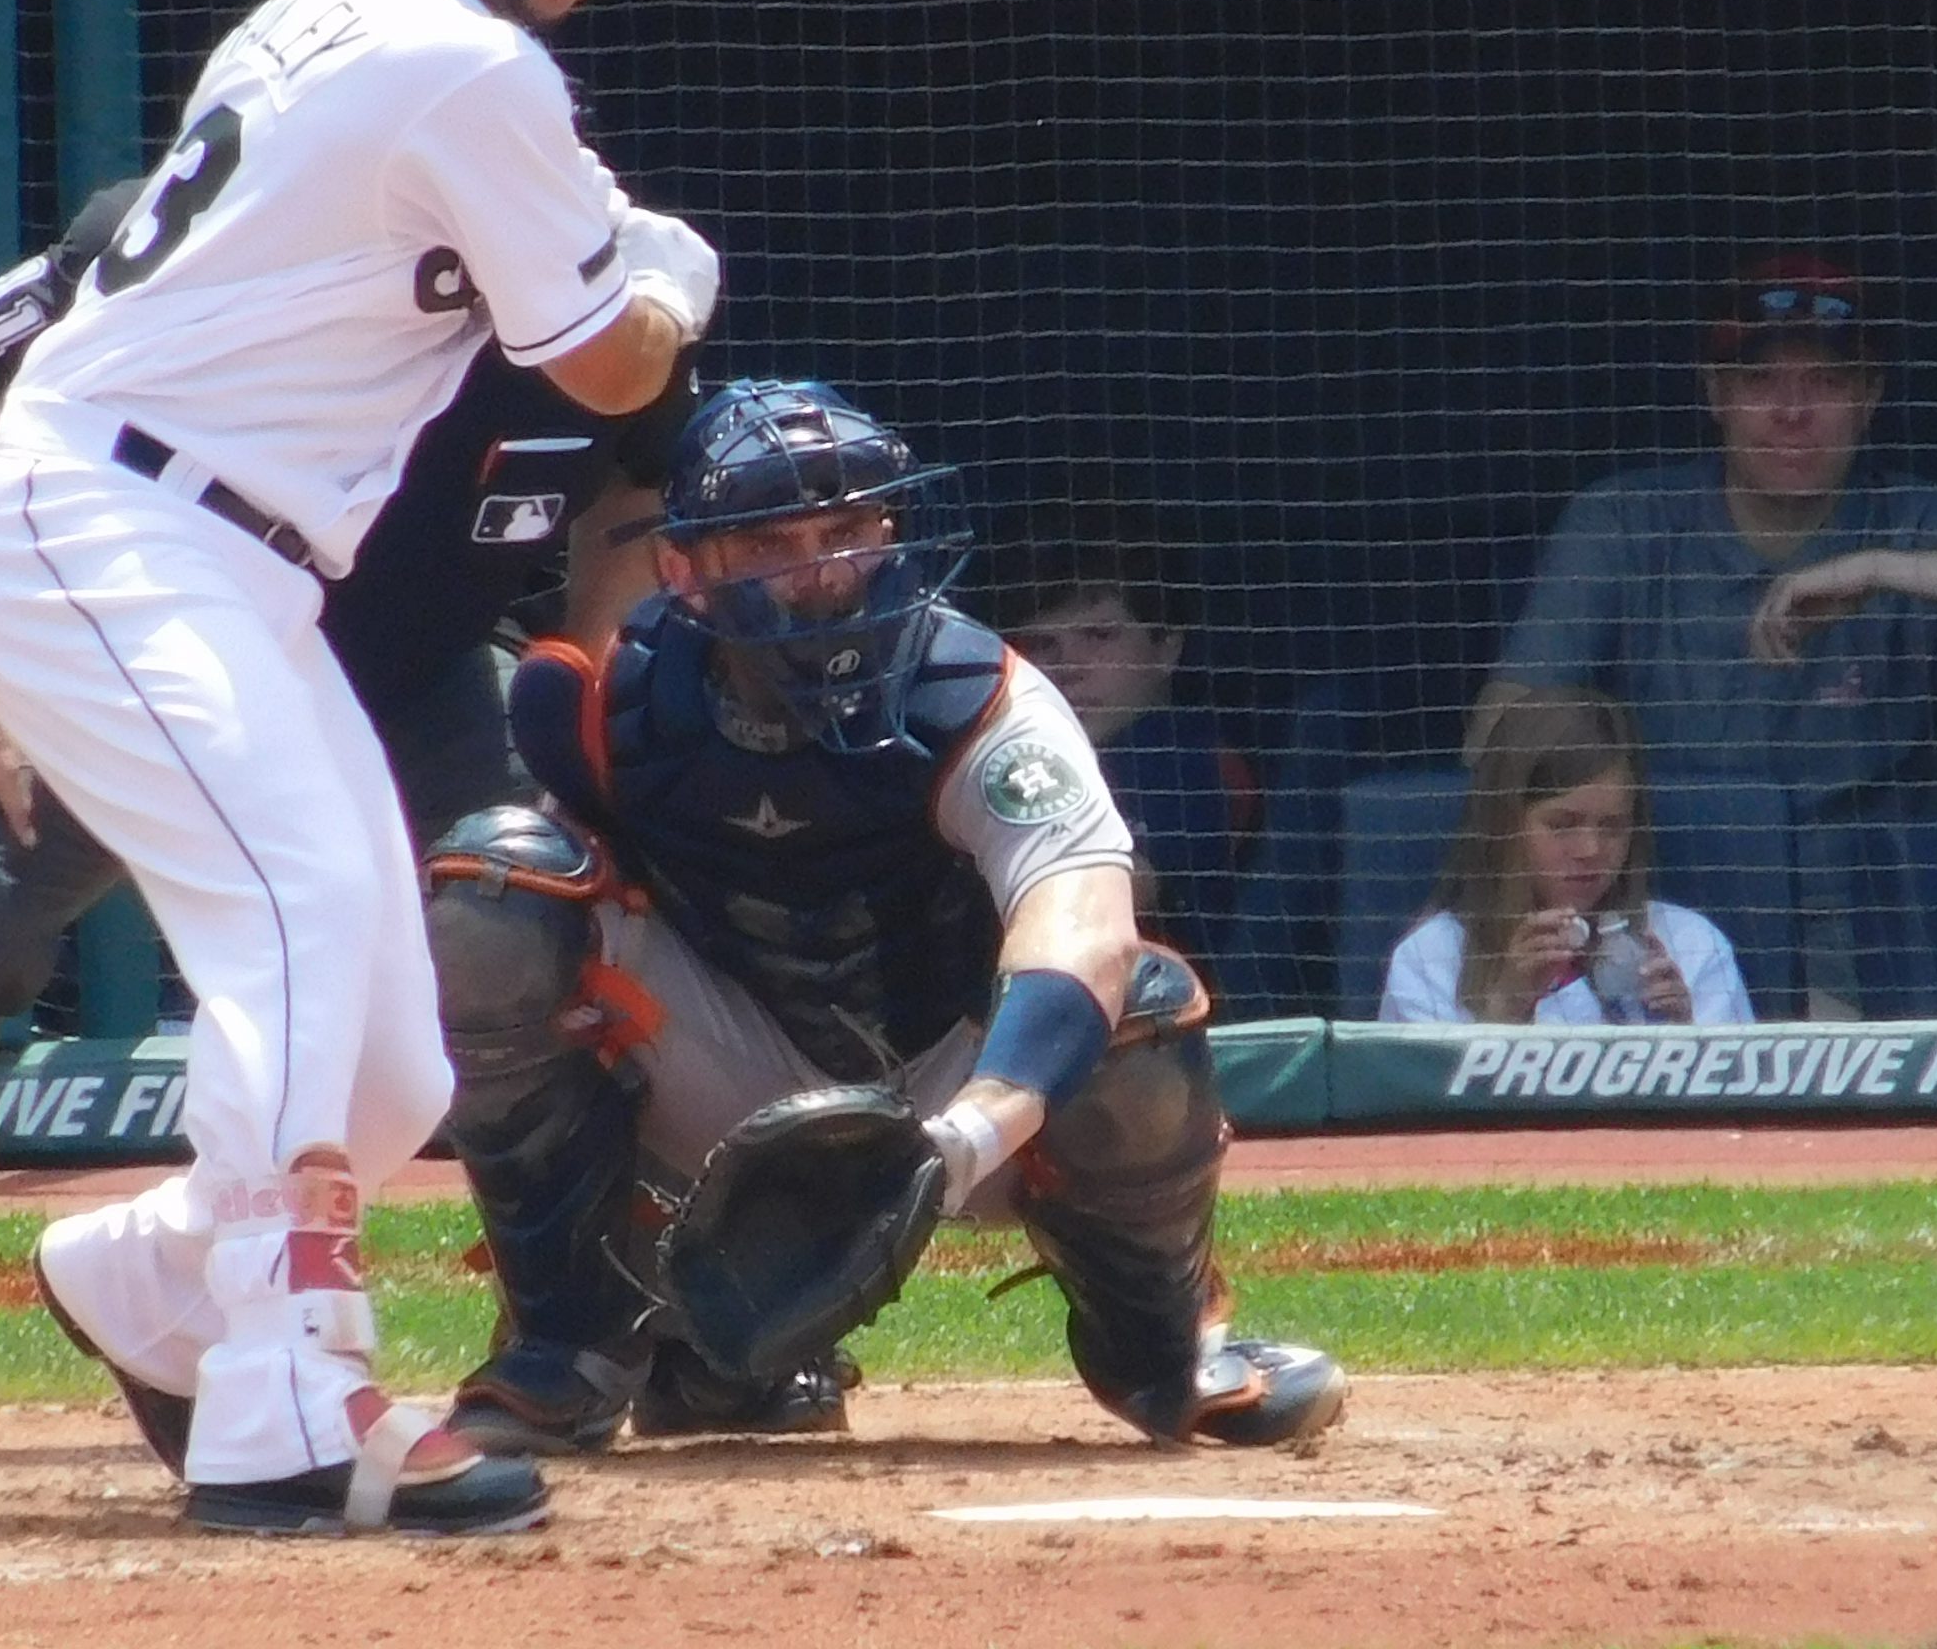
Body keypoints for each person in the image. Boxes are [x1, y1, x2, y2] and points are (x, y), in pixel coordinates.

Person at [0, 0, 705, 1539]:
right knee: (294, 915)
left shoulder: (349, 27)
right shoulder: (462, 66)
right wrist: (661, 277)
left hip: (230, 560)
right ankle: (291, 1398)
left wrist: (591, 234)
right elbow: (609, 370)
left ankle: (151, 1277)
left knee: (393, 1053)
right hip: (104, 517)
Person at [0, 155, 690, 1467]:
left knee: (550, 904)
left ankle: (599, 1337)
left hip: (391, 681)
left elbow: (633, 492)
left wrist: (587, 716)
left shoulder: (607, 301)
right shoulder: (208, 227)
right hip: (88, 638)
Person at [419, 378, 1349, 1457]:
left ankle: (1164, 1352)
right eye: (770, 543)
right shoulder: (602, 705)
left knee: (1132, 996)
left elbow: (1083, 924)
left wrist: (969, 1134)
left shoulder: (980, 697)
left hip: (963, 1086)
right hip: (725, 1072)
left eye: (847, 531)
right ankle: (573, 1344)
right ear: (684, 570)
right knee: (495, 886)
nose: (821, 572)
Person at [1473, 251, 1937, 1015]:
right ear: (1715, 393)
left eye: (1826, 381)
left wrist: (1885, 569)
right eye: (1759, 379)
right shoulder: (1626, 523)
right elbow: (1498, 738)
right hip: (1656, 938)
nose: (1793, 411)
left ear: (1869, 397)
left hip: (1857, 957)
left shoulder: (1915, 519)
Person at [1382, 687, 1753, 1024]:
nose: (1590, 850)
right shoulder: (1430, 958)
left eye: (1612, 826)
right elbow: (1423, 1080)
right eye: (1562, 825)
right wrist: (1506, 1013)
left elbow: (1744, 1077)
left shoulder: (1693, 946)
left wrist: (1687, 1043)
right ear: (1504, 824)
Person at [996, 542, 1261, 987]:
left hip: (1165, 1011)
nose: (1068, 668)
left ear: (1166, 648)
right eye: (1043, 644)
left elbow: (1124, 890)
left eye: (1099, 636)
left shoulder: (1193, 761)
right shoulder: (1012, 753)